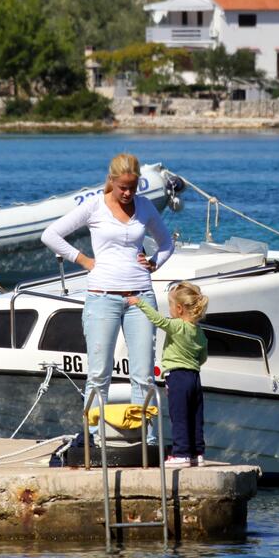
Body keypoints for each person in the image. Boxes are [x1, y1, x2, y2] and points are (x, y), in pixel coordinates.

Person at [41, 153, 174, 417]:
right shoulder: (94, 206)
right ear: (111, 180)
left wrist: (154, 262)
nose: (127, 193)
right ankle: (94, 437)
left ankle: (144, 440)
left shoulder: (145, 207)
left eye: (132, 187)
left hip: (141, 297)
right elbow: (51, 235)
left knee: (144, 374)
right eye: (123, 187)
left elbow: (167, 243)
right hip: (102, 297)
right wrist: (83, 260)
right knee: (99, 373)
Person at [127, 282, 209, 467]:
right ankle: (197, 453)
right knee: (195, 416)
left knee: (179, 415)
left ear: (179, 309)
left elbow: (158, 320)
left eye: (171, 305)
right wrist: (192, 364)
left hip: (178, 376)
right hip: (195, 377)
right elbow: (203, 356)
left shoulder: (178, 325)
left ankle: (181, 454)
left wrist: (139, 302)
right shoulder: (199, 331)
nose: (169, 310)